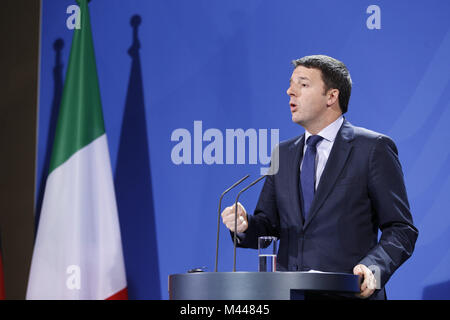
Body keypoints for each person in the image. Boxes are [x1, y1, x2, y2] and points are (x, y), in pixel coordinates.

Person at [221, 55, 418, 300]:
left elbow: (401, 229)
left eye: (303, 84)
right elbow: (268, 225)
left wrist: (373, 268)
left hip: (347, 295)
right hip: (288, 295)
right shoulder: (282, 154)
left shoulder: (372, 149)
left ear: (331, 96)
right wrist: (245, 225)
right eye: (291, 84)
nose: (290, 92)